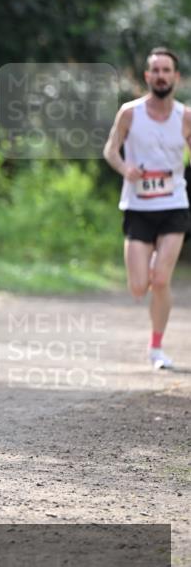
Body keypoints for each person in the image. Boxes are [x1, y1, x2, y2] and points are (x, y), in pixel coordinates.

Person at [103, 47, 190, 369]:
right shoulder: (130, 113)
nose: (161, 76)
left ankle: (156, 347)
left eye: (166, 70)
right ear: (147, 76)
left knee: (161, 280)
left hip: (174, 205)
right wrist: (125, 168)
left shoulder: (185, 117)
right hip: (138, 207)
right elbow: (110, 150)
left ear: (176, 77)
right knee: (140, 287)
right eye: (156, 70)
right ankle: (149, 265)